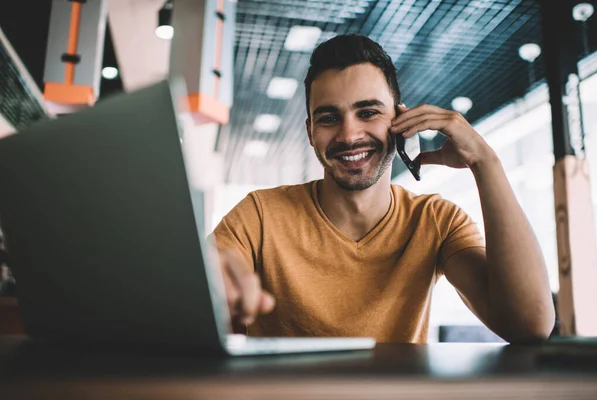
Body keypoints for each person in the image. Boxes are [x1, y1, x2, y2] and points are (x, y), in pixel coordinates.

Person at [211, 34, 554, 343]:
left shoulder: (435, 221)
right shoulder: (259, 215)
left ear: (401, 121)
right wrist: (218, 277)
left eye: (368, 112)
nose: (348, 135)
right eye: (329, 118)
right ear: (311, 130)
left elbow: (530, 324)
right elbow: (210, 277)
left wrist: (485, 163)